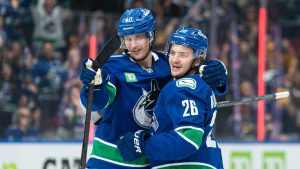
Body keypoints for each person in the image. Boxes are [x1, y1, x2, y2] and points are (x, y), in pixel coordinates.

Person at [79, 8, 227, 169]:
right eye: (128, 39)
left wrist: (217, 73)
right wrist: (94, 86)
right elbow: (97, 102)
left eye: (138, 37)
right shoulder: (113, 66)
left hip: (148, 157)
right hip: (109, 159)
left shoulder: (168, 62)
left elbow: (197, 83)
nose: (133, 45)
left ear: (151, 36)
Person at [117, 27, 223, 169]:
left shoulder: (183, 86)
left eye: (183, 55)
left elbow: (188, 139)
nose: (175, 60)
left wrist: (143, 145)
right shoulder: (197, 84)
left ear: (198, 60)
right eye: (172, 53)